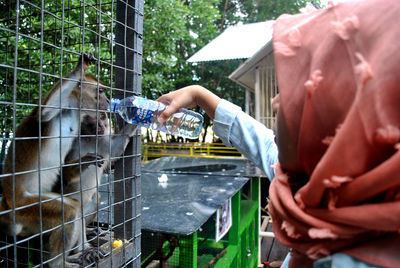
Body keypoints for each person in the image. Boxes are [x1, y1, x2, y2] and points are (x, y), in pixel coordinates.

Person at [157, 0, 400, 267]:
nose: (275, 102)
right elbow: (263, 144)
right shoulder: (325, 183)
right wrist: (200, 94)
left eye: (304, 91)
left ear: (349, 121)